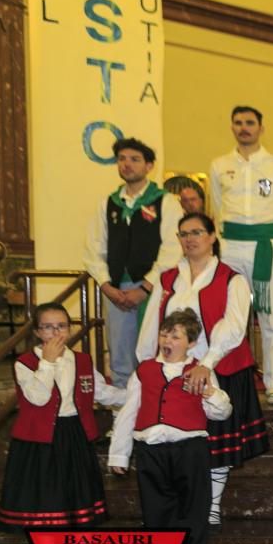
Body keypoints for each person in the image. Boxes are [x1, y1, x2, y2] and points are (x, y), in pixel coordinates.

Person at [137, 213, 269, 530]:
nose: (190, 239)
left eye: (196, 232)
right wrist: (146, 365)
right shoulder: (168, 279)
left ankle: (212, 505)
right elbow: (152, 324)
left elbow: (233, 327)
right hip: (175, 370)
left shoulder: (231, 279)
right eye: (184, 234)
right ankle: (187, 503)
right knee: (183, 440)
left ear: (212, 237)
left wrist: (206, 364)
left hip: (220, 366)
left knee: (217, 441)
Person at [109, 309, 232, 544]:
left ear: (191, 342)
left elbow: (221, 413)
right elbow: (129, 412)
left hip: (190, 449)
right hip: (151, 450)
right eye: (164, 334)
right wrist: (119, 454)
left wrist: (209, 393)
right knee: (155, 506)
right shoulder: (144, 371)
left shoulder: (201, 371)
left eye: (176, 336)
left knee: (193, 506)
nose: (167, 340)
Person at [0, 303, 124, 532]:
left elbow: (102, 392)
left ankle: (74, 536)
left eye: (61, 326)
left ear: (69, 329)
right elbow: (38, 398)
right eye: (48, 327)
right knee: (46, 492)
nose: (55, 332)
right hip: (39, 439)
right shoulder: (25, 363)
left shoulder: (81, 360)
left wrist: (139, 396)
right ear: (37, 332)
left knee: (75, 490)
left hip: (74, 432)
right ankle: (45, 539)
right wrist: (47, 363)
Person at [209, 105, 273, 405]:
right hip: (231, 247)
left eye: (249, 122)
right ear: (231, 127)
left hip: (264, 245)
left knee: (269, 315)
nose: (244, 127)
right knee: (229, 314)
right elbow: (217, 208)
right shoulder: (219, 165)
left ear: (261, 127)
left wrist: (266, 234)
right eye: (238, 123)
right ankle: (229, 379)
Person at [82, 137, 183, 388]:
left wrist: (146, 287)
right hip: (116, 289)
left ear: (149, 166)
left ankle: (153, 404)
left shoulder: (165, 202)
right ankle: (121, 406)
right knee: (119, 351)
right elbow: (94, 247)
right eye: (122, 159)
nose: (127, 164)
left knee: (156, 347)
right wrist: (106, 285)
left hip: (155, 287)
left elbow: (173, 248)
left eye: (135, 159)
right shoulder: (108, 203)